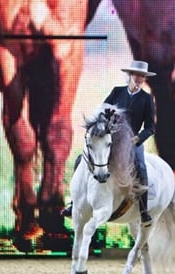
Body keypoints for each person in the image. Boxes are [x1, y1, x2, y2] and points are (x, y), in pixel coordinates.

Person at [62, 60, 156, 226]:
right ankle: (74, 203)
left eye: (142, 76)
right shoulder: (117, 92)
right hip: (110, 138)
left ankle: (143, 209)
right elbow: (102, 109)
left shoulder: (147, 99)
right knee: (81, 159)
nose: (139, 78)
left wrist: (138, 138)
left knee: (140, 166)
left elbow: (150, 127)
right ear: (130, 75)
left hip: (131, 141)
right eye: (137, 75)